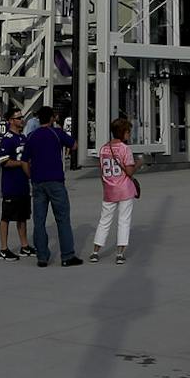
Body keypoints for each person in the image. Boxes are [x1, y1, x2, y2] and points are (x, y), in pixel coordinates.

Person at [23, 105, 79, 267]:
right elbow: (74, 145)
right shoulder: (57, 133)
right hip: (55, 180)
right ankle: (67, 255)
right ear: (52, 118)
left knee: (39, 220)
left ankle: (42, 256)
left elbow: (24, 161)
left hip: (38, 182)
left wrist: (31, 176)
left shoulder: (32, 136)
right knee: (62, 218)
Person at [90, 116, 140, 263]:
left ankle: (95, 251)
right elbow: (130, 172)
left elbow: (101, 171)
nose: (129, 134)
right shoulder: (125, 149)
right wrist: (139, 163)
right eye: (128, 132)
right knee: (124, 220)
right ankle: (119, 253)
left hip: (109, 189)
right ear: (123, 132)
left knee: (104, 220)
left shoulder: (104, 148)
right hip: (124, 189)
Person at [0, 111, 32, 259]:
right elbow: (3, 161)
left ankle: (24, 246)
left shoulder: (23, 137)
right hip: (11, 184)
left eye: (22, 118)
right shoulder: (8, 139)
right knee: (6, 217)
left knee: (22, 217)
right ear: (11, 120)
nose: (22, 120)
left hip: (23, 184)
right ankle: (4, 249)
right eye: (19, 118)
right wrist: (22, 164)